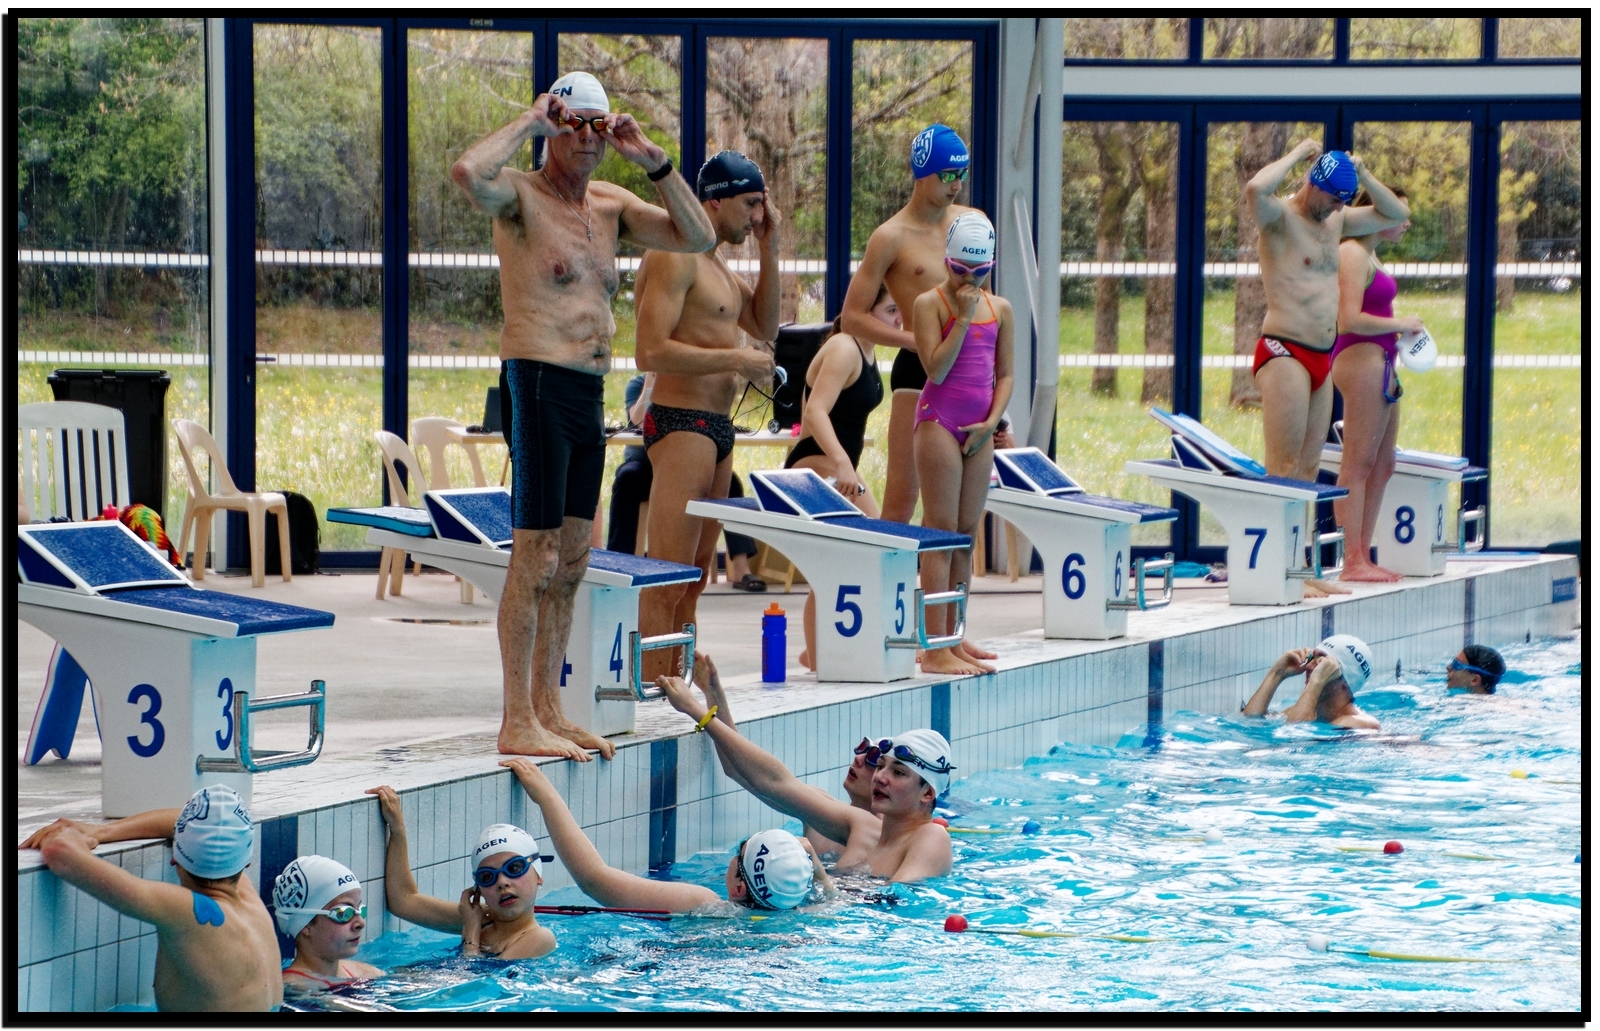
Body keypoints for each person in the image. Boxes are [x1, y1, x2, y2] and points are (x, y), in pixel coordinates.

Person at [451, 69, 716, 761]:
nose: (590, 140)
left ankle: (549, 708)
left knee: (573, 558)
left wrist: (653, 159)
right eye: (576, 126)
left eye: (600, 127)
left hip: (587, 393)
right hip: (537, 380)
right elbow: (468, 173)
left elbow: (698, 236)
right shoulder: (521, 197)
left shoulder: (610, 204)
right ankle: (516, 717)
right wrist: (531, 120)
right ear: (554, 128)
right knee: (535, 556)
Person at [633, 150, 781, 679]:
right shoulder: (674, 255)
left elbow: (765, 323)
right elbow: (649, 351)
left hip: (717, 429)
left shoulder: (716, 264)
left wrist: (771, 248)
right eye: (750, 205)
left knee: (695, 577)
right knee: (667, 575)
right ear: (715, 202)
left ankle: (675, 681)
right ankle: (652, 689)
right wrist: (735, 359)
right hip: (681, 422)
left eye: (761, 206)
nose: (757, 216)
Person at [1246, 143, 1408, 596]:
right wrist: (1299, 152)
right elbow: (1255, 187)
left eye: (1343, 201)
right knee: (1282, 466)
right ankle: (1279, 569)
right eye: (1334, 199)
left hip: (1321, 354)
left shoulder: (1335, 222)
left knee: (1308, 467)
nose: (1338, 208)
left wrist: (1365, 174)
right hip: (1284, 352)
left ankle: (1298, 570)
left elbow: (1395, 213)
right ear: (1313, 184)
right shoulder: (1278, 219)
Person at [658, 671, 954, 882]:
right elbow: (774, 782)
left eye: (898, 772)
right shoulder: (862, 825)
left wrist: (816, 870)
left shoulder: (931, 837)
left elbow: (893, 908)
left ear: (927, 793)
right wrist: (697, 710)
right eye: (882, 766)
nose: (880, 777)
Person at [19, 785, 282, 1012]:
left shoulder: (185, 912)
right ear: (246, 863)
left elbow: (59, 852)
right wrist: (101, 832)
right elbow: (189, 823)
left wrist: (71, 835)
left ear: (174, 857)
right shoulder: (249, 901)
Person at [842, 124, 979, 529]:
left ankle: (946, 575)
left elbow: (987, 300)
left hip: (969, 369)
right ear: (921, 174)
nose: (957, 185)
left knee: (960, 514)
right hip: (918, 373)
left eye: (962, 174)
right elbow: (852, 317)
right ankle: (891, 573)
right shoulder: (891, 237)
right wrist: (916, 340)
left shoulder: (972, 223)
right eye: (948, 175)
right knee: (901, 504)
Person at [501, 757, 831, 913]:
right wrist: (814, 868)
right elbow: (831, 898)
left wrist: (547, 797)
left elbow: (595, 880)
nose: (734, 855)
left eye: (739, 852)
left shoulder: (704, 904)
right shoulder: (801, 918)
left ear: (738, 888)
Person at [911, 212, 1013, 676]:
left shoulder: (1002, 309)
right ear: (945, 262)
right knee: (940, 533)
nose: (969, 281)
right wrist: (964, 317)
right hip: (939, 423)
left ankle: (953, 635)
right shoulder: (929, 304)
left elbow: (1005, 375)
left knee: (966, 538)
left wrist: (991, 422)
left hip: (979, 429)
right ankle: (934, 647)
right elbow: (936, 368)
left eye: (980, 272)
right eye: (959, 270)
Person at [786, 283, 898, 669]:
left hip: (836, 466)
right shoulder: (844, 348)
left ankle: (818, 649)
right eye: (891, 310)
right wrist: (842, 463)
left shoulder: (866, 348)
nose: (899, 319)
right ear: (865, 310)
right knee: (865, 550)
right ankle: (819, 652)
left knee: (854, 556)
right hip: (815, 464)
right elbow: (815, 412)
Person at [689, 653, 878, 857]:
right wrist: (713, 694)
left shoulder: (886, 840)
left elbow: (769, 779)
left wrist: (695, 711)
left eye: (873, 759)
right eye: (863, 748)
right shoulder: (819, 808)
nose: (858, 758)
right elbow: (739, 771)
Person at [1332, 187, 1419, 583]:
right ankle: (1351, 559)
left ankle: (1363, 554)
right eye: (1400, 214)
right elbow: (1348, 320)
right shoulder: (1351, 252)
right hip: (1360, 360)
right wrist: (1401, 324)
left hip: (1382, 362)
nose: (1406, 222)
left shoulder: (1370, 255)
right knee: (1359, 462)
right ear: (1376, 213)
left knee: (1384, 465)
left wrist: (1399, 333)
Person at [367, 784, 557, 960]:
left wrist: (472, 931)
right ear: (479, 889)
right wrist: (397, 829)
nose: (502, 882)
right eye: (487, 876)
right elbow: (403, 902)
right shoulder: (477, 915)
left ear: (538, 876)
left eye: (514, 868)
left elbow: (475, 979)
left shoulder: (539, 938)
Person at [272, 856, 384, 993]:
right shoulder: (294, 990)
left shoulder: (365, 972)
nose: (361, 923)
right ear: (306, 925)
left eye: (361, 910)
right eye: (344, 913)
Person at [1241, 634, 1380, 729]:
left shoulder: (1358, 724)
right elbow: (1251, 722)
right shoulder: (1303, 712)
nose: (1308, 666)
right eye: (1311, 658)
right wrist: (1276, 674)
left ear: (1346, 680)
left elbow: (1295, 734)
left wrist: (1316, 682)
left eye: (1321, 662)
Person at [605, 373, 656, 556]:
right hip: (641, 463)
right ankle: (619, 557)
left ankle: (737, 564)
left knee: (731, 482)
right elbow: (638, 420)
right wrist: (650, 381)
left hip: (677, 466)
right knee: (627, 477)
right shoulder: (637, 385)